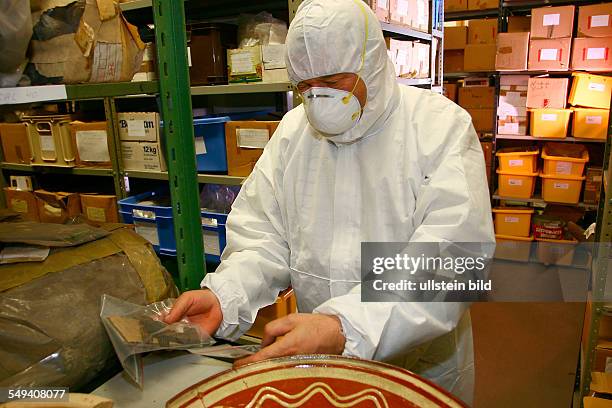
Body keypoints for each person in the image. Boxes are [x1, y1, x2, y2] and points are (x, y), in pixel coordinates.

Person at [165, 0, 495, 404]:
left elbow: (450, 261)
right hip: (323, 365)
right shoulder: (292, 134)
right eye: (305, 87)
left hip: (418, 368)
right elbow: (263, 237)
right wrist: (226, 297)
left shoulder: (438, 128)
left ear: (373, 62)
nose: (318, 100)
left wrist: (345, 326)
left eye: (334, 82)